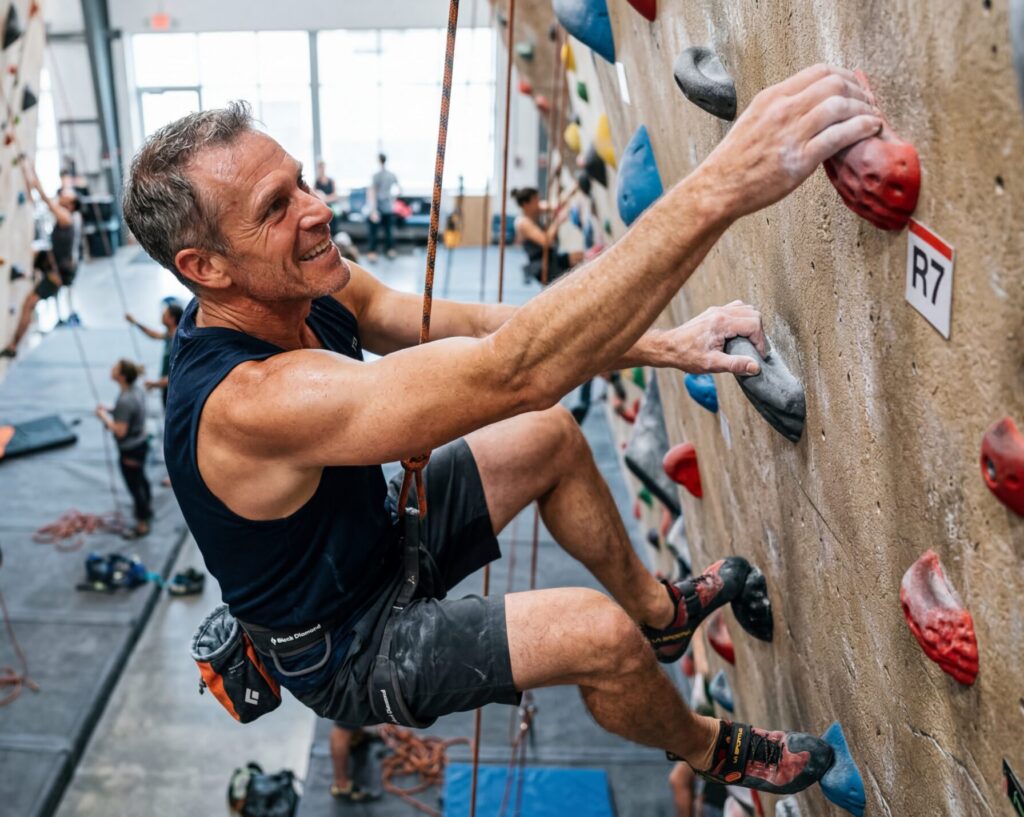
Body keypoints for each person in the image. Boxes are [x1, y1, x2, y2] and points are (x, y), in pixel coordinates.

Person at [122, 64, 881, 796]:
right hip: (350, 646)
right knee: (593, 634)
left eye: (300, 183)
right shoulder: (250, 401)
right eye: (275, 208)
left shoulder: (306, 286)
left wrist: (659, 342)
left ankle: (662, 617)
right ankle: (710, 747)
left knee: (545, 436)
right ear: (206, 267)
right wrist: (725, 184)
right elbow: (511, 372)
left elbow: (482, 329)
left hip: (381, 545)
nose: (316, 209)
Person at [2, 165, 83, 358]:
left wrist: (34, 177)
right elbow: (38, 200)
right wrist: (28, 177)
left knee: (29, 303)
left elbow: (46, 200)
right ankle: (24, 274)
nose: (63, 194)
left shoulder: (66, 217)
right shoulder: (68, 215)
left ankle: (13, 346)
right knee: (34, 253)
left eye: (68, 195)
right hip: (52, 261)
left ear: (70, 205)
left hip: (58, 273)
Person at [96, 359, 152, 538]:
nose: (111, 369)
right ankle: (147, 508)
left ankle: (142, 524)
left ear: (121, 376)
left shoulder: (125, 400)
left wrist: (103, 417)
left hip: (130, 450)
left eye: (115, 368)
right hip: (141, 443)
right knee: (141, 479)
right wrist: (112, 411)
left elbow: (120, 432)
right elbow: (129, 413)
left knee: (135, 486)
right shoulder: (136, 390)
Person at [512, 185, 582, 284]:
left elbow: (557, 206)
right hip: (543, 266)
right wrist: (558, 222)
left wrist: (571, 190)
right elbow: (546, 241)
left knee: (580, 256)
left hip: (551, 257)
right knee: (570, 280)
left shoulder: (535, 209)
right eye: (536, 201)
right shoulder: (523, 223)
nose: (539, 203)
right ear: (526, 205)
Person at [126, 300, 184, 406]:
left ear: (172, 319)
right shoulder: (169, 336)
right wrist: (135, 322)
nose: (161, 316)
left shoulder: (179, 341)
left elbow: (179, 374)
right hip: (167, 389)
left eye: (164, 314)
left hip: (175, 391)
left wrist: (155, 384)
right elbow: (152, 334)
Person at [366, 153, 399, 261]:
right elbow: (399, 189)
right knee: (388, 230)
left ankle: (373, 251)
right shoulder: (392, 174)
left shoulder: (376, 175)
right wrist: (392, 200)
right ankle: (388, 250)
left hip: (380, 207)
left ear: (378, 160)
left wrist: (373, 210)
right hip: (387, 207)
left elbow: (372, 193)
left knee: (376, 231)